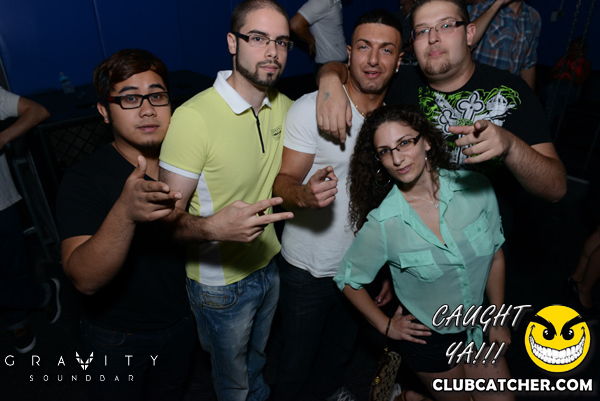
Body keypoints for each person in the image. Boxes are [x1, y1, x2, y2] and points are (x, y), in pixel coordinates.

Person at [314, 0, 566, 238]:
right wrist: (330, 79)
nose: (433, 38)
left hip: (482, 247)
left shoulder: (510, 92)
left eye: (446, 25)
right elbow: (354, 69)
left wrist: (510, 146)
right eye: (422, 31)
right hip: (409, 242)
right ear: (413, 43)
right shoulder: (401, 82)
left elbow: (555, 189)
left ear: (469, 34)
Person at [157, 1, 294, 399]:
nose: (272, 51)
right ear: (233, 43)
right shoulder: (193, 118)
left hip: (269, 265)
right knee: (232, 381)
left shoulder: (284, 106)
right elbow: (164, 221)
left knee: (258, 360)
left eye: (282, 42)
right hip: (220, 284)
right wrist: (214, 228)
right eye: (259, 38)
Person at [334, 104, 513, 401]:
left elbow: (496, 256)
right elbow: (347, 280)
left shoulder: (477, 189)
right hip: (430, 341)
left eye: (405, 142)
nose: (397, 158)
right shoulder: (384, 223)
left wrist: (497, 319)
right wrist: (386, 326)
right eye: (385, 151)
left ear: (427, 141)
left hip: (477, 326)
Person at [272, 9, 403, 401]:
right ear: (348, 53)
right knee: (294, 362)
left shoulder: (396, 122)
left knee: (338, 352)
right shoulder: (312, 108)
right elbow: (282, 182)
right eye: (364, 47)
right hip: (308, 268)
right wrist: (304, 195)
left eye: (386, 50)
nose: (373, 59)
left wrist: (388, 265)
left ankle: (330, 392)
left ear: (399, 60)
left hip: (360, 269)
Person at [56, 49, 196, 401]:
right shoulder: (83, 179)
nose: (147, 109)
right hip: (118, 335)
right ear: (104, 111)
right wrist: (125, 212)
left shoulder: (189, 163)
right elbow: (84, 279)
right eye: (130, 98)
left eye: (157, 96)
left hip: (184, 319)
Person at [0, 86, 59, 354]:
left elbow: (37, 111)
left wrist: (2, 137)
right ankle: (41, 295)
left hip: (1, 203)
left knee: (11, 268)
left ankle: (17, 320)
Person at [469, 0, 541, 89]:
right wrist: (497, 4)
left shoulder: (533, 18)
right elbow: (467, 42)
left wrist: (528, 95)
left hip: (508, 91)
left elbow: (528, 64)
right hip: (479, 88)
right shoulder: (483, 8)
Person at [544, 37, 592, 127]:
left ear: (582, 51)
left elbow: (580, 82)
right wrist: (559, 70)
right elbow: (550, 76)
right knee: (553, 94)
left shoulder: (585, 63)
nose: (574, 52)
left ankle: (546, 125)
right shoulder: (563, 59)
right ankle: (559, 116)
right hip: (555, 86)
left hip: (570, 89)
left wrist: (569, 71)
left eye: (577, 50)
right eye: (572, 49)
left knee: (553, 93)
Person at [290, 0, 347, 74]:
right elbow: (296, 25)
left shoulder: (334, 2)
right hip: (330, 67)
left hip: (338, 65)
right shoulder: (323, 1)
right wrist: (311, 41)